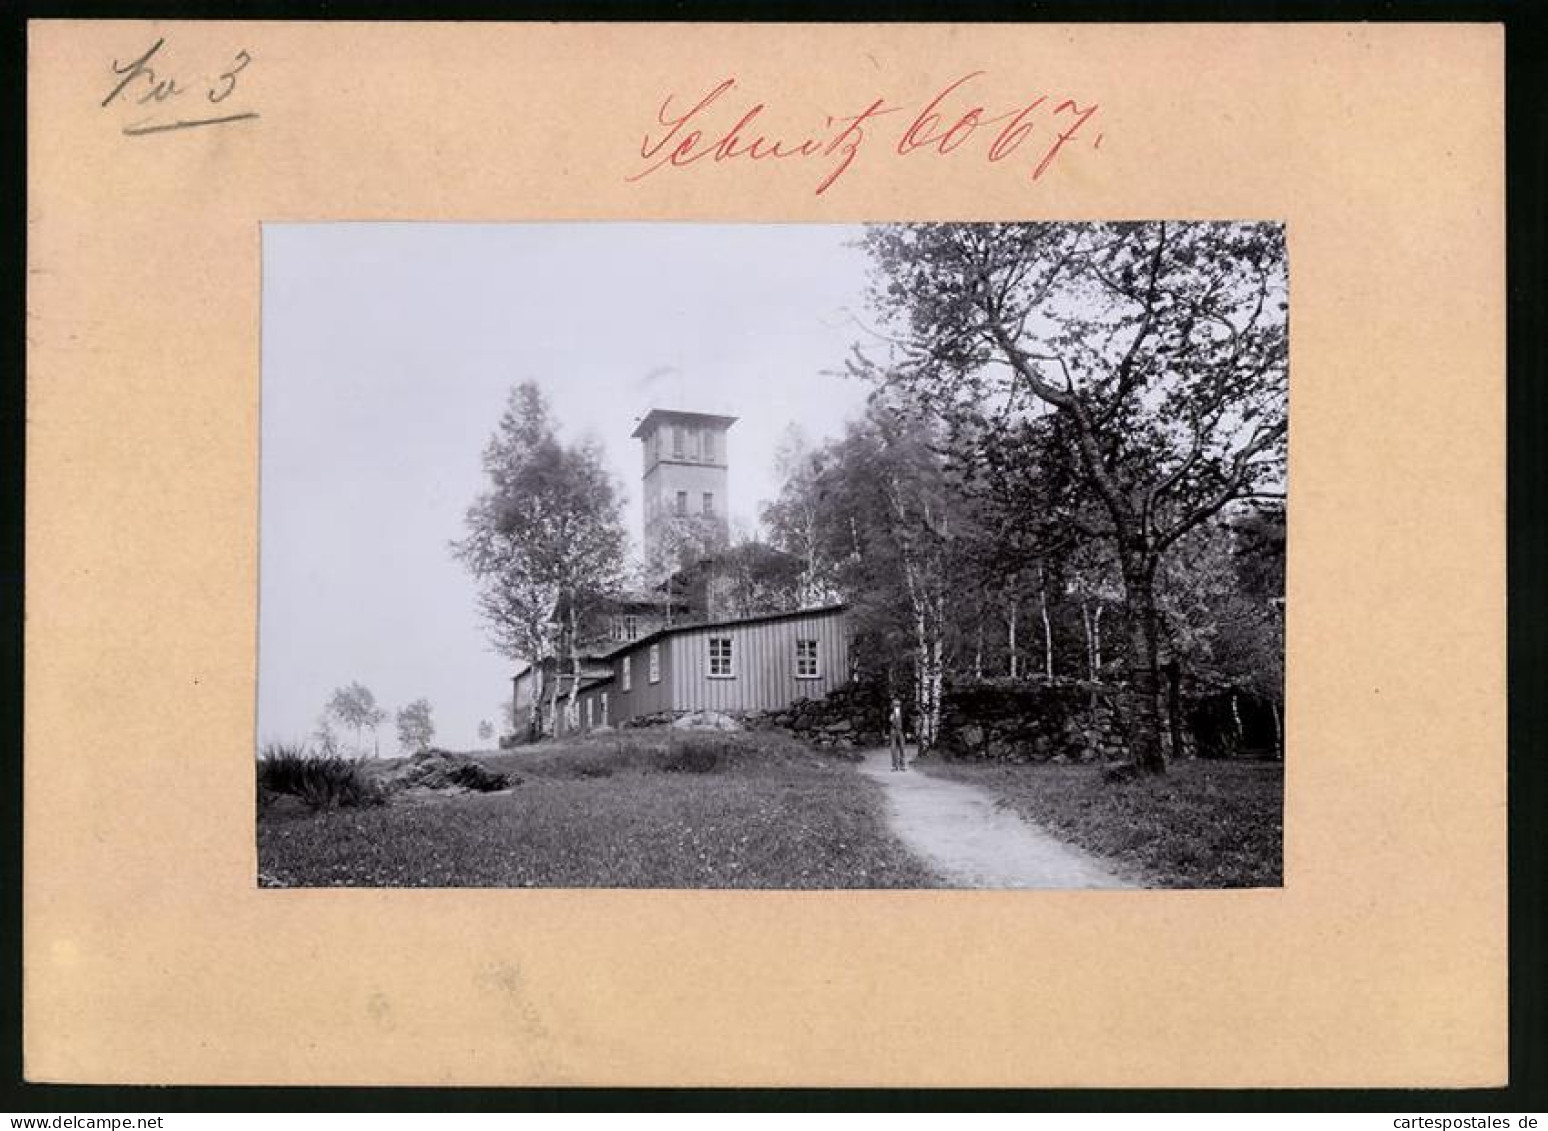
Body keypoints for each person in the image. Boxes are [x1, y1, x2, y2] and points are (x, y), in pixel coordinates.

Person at [889, 696, 907, 772]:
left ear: (900, 703)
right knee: (893, 749)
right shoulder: (889, 711)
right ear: (892, 704)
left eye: (898, 703)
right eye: (895, 703)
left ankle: (902, 765)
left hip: (901, 731)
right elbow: (885, 722)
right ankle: (894, 766)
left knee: (902, 748)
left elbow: (907, 721)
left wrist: (908, 732)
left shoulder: (904, 711)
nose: (896, 704)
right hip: (893, 731)